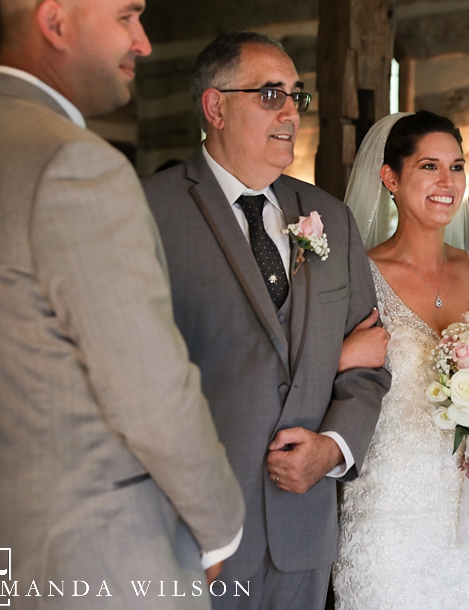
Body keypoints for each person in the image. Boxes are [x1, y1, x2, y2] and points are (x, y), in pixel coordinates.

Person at [0, 0, 244, 607]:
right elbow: (148, 387)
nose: (142, 42)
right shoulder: (75, 165)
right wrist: (221, 523)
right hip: (94, 556)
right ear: (56, 23)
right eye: (127, 17)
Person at [141, 32, 392, 610]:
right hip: (192, 532)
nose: (290, 113)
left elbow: (371, 364)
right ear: (215, 106)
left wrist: (332, 447)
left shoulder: (328, 216)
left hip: (302, 532)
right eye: (270, 95)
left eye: (296, 98)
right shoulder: (147, 211)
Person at [333, 111, 469, 609]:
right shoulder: (359, 277)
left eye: (456, 167)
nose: (447, 182)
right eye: (429, 166)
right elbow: (320, 381)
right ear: (390, 177)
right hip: (388, 517)